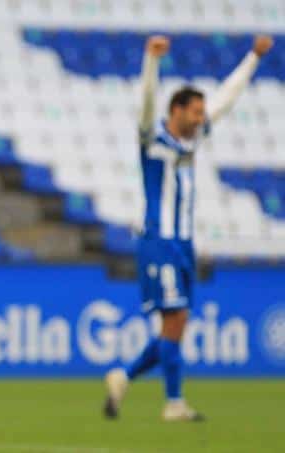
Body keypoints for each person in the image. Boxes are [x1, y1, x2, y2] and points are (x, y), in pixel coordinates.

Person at [103, 34, 273, 422]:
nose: (201, 119)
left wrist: (252, 58)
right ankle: (173, 402)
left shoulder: (190, 141)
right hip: (159, 241)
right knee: (175, 320)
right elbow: (146, 107)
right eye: (195, 113)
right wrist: (151, 62)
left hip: (182, 243)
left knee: (175, 325)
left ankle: (124, 377)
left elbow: (226, 99)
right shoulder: (153, 139)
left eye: (201, 114)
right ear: (177, 110)